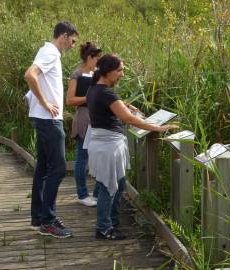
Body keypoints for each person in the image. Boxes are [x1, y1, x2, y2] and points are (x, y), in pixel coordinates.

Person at [86, 54, 177, 240]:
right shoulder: (106, 92)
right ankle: (103, 228)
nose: (122, 74)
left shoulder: (94, 89)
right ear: (107, 71)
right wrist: (158, 127)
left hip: (103, 144)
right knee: (107, 187)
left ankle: (111, 221)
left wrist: (126, 106)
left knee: (116, 185)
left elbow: (115, 109)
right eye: (119, 70)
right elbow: (127, 118)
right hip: (108, 147)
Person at [24, 21, 78, 238]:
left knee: (43, 169)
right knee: (58, 168)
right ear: (64, 36)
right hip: (48, 120)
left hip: (43, 118)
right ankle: (48, 220)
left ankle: (38, 219)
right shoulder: (51, 53)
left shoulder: (46, 51)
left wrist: (43, 104)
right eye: (72, 40)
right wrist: (46, 103)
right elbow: (30, 75)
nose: (73, 45)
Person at [66, 42, 102, 207]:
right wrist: (90, 98)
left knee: (97, 159)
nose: (98, 61)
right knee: (82, 157)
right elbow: (70, 100)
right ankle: (82, 194)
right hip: (83, 118)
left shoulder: (97, 74)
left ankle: (95, 194)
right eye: (96, 58)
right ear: (89, 58)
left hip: (97, 119)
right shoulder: (77, 75)